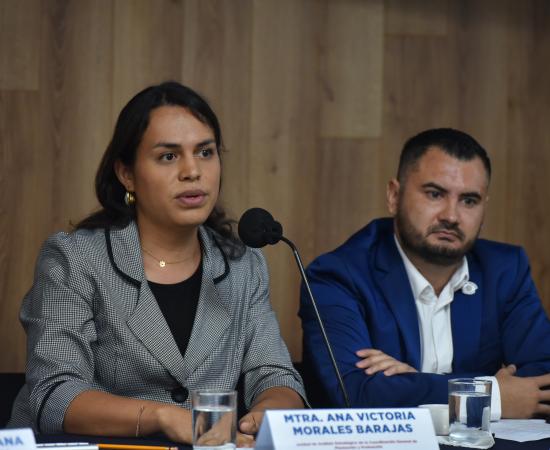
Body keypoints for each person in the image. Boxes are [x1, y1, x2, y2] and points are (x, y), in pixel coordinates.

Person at [8, 81, 305, 446]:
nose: (192, 171)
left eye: (205, 152)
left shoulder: (244, 266)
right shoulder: (76, 259)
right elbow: (54, 395)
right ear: (127, 174)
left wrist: (263, 418)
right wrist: (164, 417)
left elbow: (275, 375)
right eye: (168, 156)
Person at [299, 128, 550, 419]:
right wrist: (489, 394)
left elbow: (543, 380)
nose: (451, 216)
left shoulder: (504, 269)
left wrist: (414, 381)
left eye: (469, 200)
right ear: (394, 196)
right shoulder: (338, 276)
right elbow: (355, 394)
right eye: (435, 194)